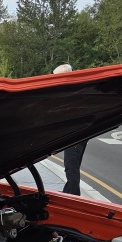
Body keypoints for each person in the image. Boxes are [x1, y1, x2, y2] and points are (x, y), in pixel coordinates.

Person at [52, 63, 87, 195]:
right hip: (79, 134)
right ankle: (68, 192)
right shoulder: (77, 91)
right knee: (73, 166)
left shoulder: (70, 93)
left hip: (75, 134)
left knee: (71, 167)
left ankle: (74, 196)